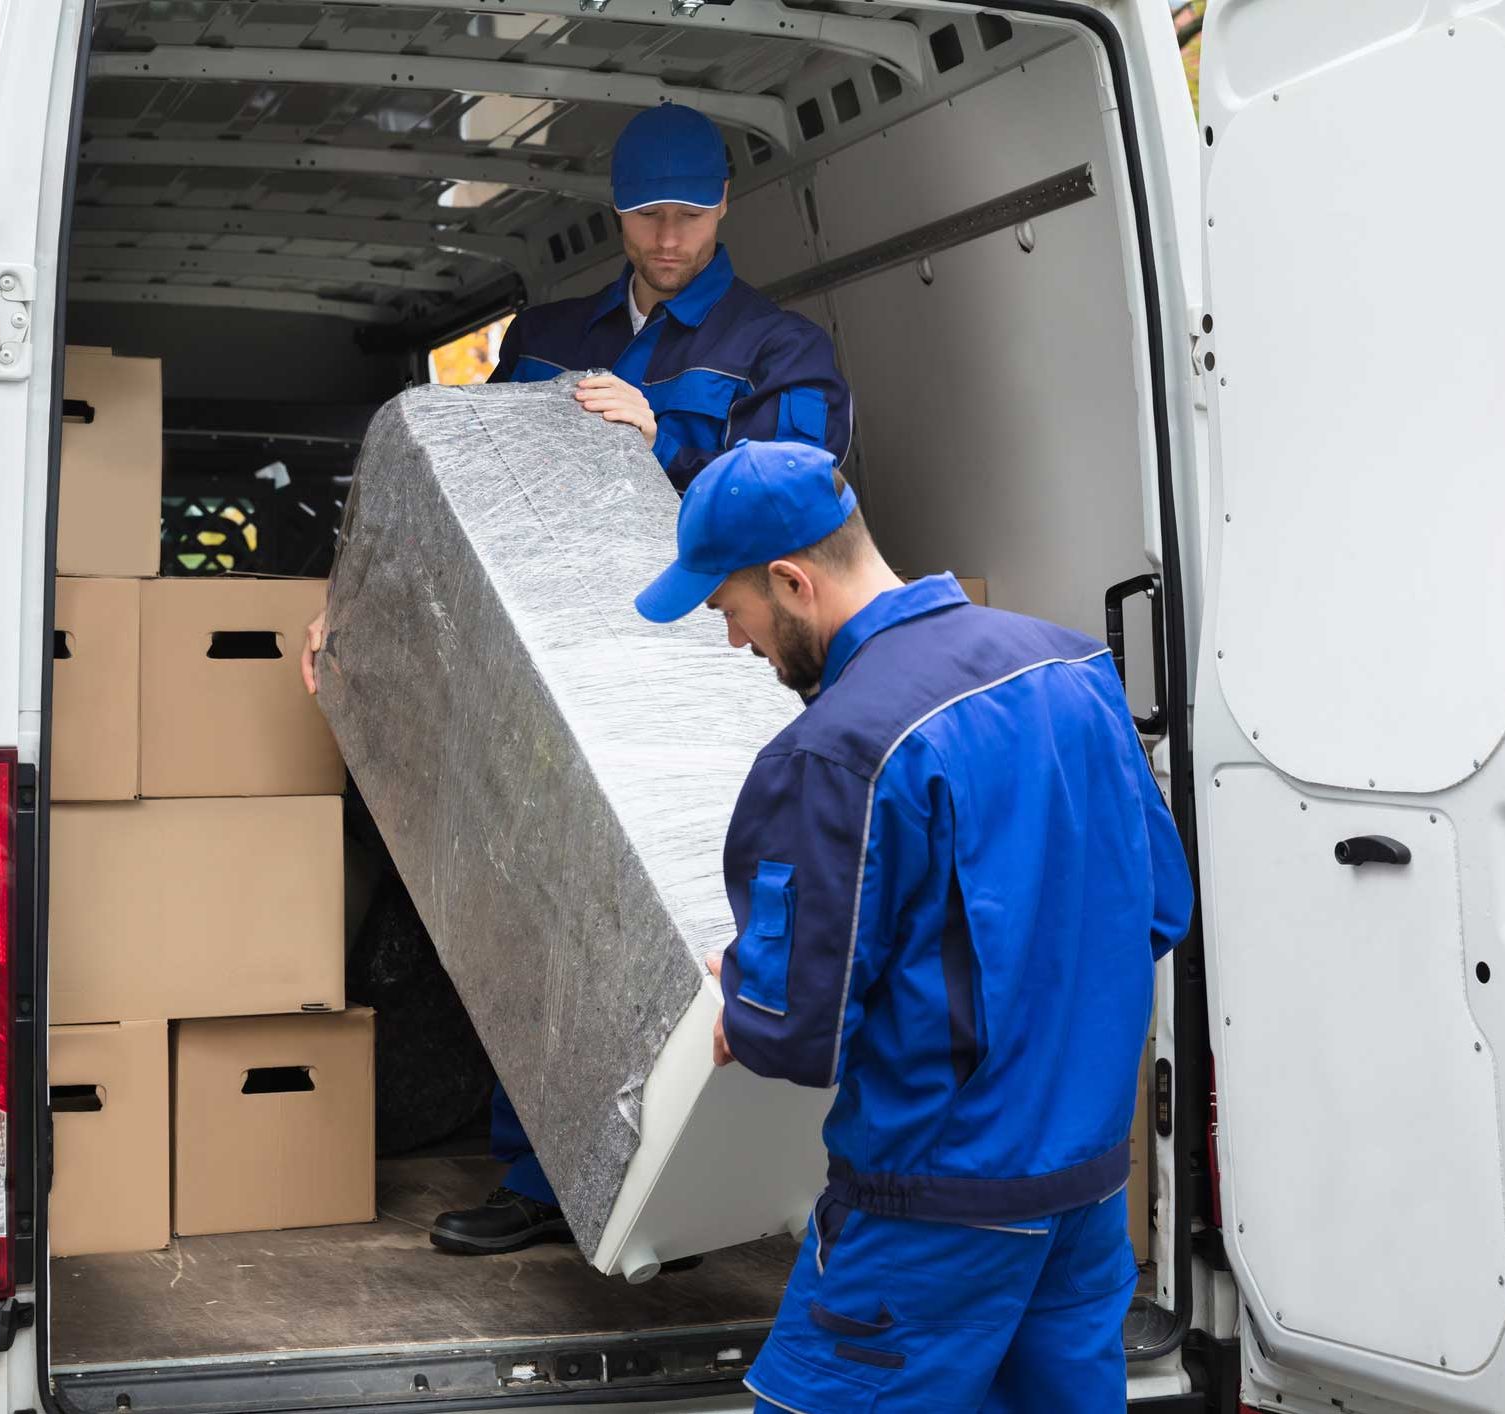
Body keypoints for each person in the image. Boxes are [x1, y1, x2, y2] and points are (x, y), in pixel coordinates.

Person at [301, 104, 853, 1258]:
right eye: (647, 218)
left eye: (689, 217)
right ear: (616, 212)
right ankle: (541, 1172)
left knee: (703, 927)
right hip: (543, 674)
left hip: (702, 680)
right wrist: (359, 609)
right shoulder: (549, 332)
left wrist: (663, 442)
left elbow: (804, 504)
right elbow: (468, 494)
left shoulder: (780, 349)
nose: (667, 241)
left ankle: (700, 1182)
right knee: (535, 906)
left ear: (722, 208)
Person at [632, 441, 1193, 1410]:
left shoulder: (838, 751)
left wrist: (742, 993)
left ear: (790, 582)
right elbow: (1158, 908)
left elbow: (795, 1027)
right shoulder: (1073, 670)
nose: (736, 643)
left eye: (730, 612)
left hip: (936, 1211)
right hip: (1086, 1198)